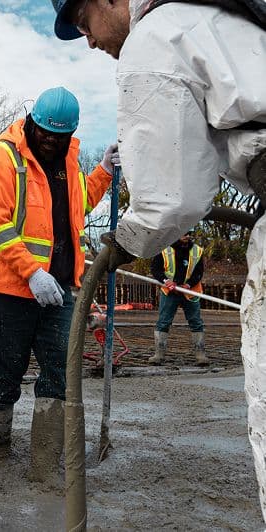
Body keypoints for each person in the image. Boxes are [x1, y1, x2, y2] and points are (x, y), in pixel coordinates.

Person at [50, 0, 266, 518]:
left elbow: (170, 200)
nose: (90, 41)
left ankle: (181, 349)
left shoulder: (154, 38)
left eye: (84, 25)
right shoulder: (215, 17)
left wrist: (120, 242)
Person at [0, 87, 114, 482]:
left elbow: (77, 204)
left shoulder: (66, 162)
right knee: (2, 374)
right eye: (45, 133)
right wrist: (32, 271)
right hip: (3, 291)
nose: (51, 141)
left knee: (60, 373)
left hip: (59, 292)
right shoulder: (0, 160)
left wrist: (102, 171)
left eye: (60, 137)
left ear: (70, 135)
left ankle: (46, 460)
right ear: (32, 122)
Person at [149, 232, 208, 366]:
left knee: (196, 321)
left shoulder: (197, 251)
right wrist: (166, 281)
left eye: (189, 233)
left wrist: (188, 284)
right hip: (170, 291)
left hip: (190, 291)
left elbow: (199, 272)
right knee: (163, 321)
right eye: (183, 233)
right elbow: (156, 269)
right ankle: (159, 354)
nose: (186, 236)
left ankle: (200, 354)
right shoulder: (164, 248)